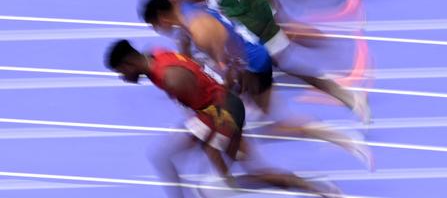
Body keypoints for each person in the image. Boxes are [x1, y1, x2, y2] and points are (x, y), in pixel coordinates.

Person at [164, 0, 370, 123]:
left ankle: (248, 111)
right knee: (280, 65)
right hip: (255, 10)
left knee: (244, 65)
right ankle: (343, 95)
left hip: (248, 19)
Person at [142, 0, 374, 168]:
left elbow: (227, 66)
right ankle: (349, 97)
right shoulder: (185, 6)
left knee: (271, 125)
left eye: (155, 25)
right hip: (252, 46)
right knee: (291, 77)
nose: (157, 30)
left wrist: (222, 89)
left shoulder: (200, 33)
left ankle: (344, 138)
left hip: (252, 65)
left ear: (162, 18)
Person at [106, 39, 343, 197]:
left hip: (223, 113)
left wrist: (216, 158)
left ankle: (313, 186)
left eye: (121, 72)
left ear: (129, 63)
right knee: (167, 158)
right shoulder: (156, 55)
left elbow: (213, 113)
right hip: (215, 109)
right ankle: (309, 185)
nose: (122, 77)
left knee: (245, 178)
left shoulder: (172, 79)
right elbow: (199, 72)